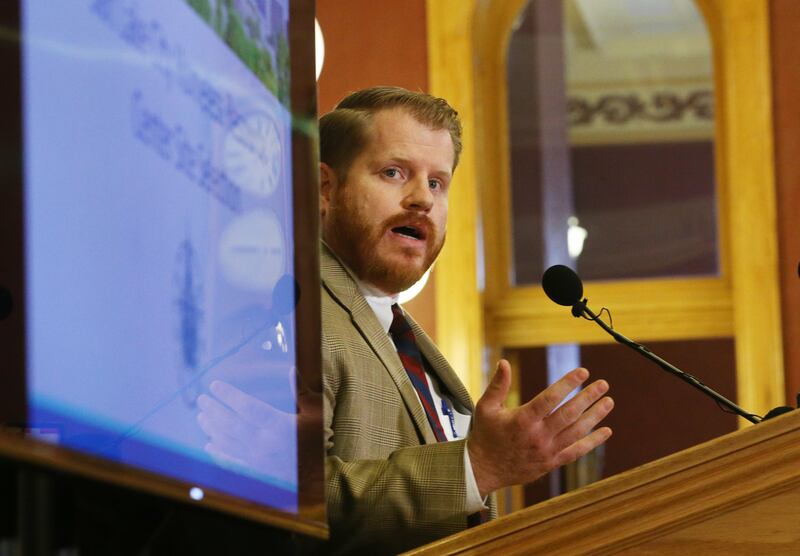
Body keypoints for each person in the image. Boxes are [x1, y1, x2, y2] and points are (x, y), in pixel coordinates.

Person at [316, 86, 614, 554]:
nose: (422, 199)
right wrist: (474, 468)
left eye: (437, 182)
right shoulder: (293, 310)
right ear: (326, 188)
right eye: (394, 173)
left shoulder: (401, 335)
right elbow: (287, 501)